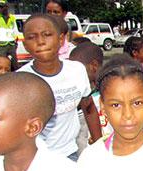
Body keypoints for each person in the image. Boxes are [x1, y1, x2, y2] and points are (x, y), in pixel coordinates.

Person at [18, 13, 102, 160]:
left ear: (61, 39)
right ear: (25, 45)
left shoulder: (77, 70)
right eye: (32, 37)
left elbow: (88, 108)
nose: (40, 41)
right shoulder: (20, 80)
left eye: (47, 34)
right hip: (34, 159)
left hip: (70, 153)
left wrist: (99, 145)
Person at [69, 42, 108, 151]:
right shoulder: (80, 92)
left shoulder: (110, 92)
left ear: (94, 65)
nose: (73, 72)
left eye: (76, 68)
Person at [0, 0, 18, 68]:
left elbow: (13, 30)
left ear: (7, 7)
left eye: (2, 7)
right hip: (1, 44)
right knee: (2, 62)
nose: (0, 8)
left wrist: (15, 42)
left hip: (11, 43)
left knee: (14, 63)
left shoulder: (12, 18)